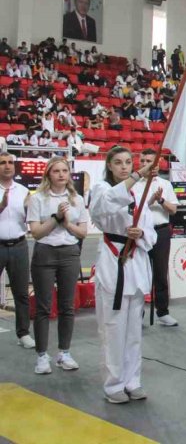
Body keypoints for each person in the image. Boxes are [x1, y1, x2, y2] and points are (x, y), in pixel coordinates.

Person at [89, 146, 158, 404]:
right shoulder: (101, 189)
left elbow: (151, 233)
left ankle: (133, 380)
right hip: (114, 258)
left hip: (136, 261)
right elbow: (105, 207)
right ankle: (113, 384)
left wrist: (141, 235)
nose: (124, 167)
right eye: (118, 162)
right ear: (109, 165)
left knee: (133, 333)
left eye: (128, 162)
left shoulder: (139, 194)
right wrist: (140, 174)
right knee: (113, 329)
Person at [27, 157, 89, 374]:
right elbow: (36, 232)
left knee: (67, 307)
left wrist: (67, 224)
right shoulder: (38, 199)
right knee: (44, 307)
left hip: (69, 254)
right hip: (44, 253)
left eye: (65, 170)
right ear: (48, 175)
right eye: (56, 171)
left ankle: (64, 353)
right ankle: (42, 356)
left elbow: (83, 232)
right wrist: (56, 218)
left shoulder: (77, 199)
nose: (61, 174)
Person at [130, 150, 179, 328]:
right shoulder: (134, 184)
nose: (145, 163)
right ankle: (137, 313)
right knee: (140, 272)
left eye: (149, 161)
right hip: (141, 232)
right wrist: (149, 200)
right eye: (142, 160)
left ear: (157, 164)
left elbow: (173, 209)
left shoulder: (165, 184)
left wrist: (160, 200)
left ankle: (163, 312)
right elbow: (134, 208)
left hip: (162, 231)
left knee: (160, 272)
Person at [0, 152, 35, 349]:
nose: (7, 166)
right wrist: (1, 206)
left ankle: (23, 333)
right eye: (2, 163)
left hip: (19, 245)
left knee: (21, 293)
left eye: (10, 163)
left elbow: (30, 218)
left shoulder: (23, 191)